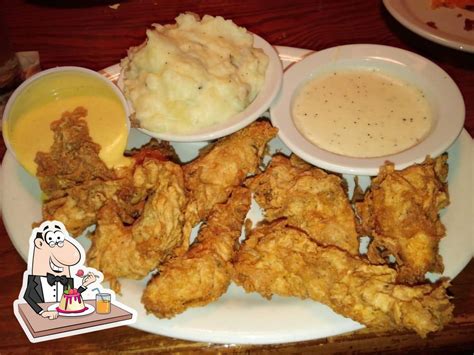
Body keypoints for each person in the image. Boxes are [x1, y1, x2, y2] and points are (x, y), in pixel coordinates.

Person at [23, 221, 96, 319]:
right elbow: (27, 297)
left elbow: (72, 296)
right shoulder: (35, 280)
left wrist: (85, 285)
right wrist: (42, 312)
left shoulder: (66, 279)